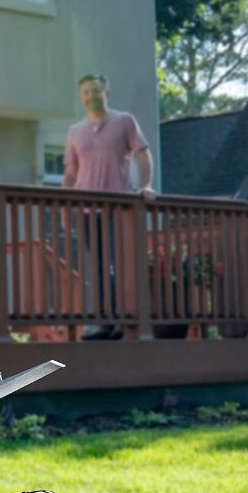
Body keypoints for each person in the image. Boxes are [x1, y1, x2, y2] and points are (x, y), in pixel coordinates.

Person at [63, 74, 155, 340]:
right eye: (86, 92)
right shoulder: (75, 132)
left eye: (95, 91)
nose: (91, 96)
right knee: (99, 268)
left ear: (106, 92)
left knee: (118, 265)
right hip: (87, 211)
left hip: (118, 208)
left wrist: (146, 185)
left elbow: (143, 154)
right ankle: (105, 323)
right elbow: (70, 174)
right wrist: (64, 207)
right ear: (82, 97)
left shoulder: (124, 121)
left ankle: (120, 322)